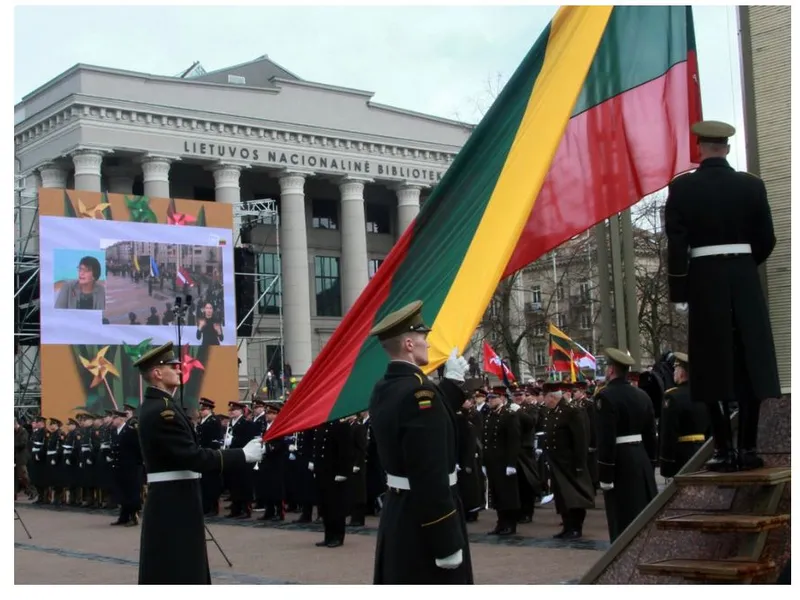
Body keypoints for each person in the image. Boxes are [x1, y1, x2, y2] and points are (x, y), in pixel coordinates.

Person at [665, 120, 780, 473]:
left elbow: (677, 244)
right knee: (751, 361)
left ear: (700, 149)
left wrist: (681, 288)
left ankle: (725, 451)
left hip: (705, 280)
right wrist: (744, 264)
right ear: (726, 148)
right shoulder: (751, 186)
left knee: (710, 365)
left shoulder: (682, 189)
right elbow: (767, 238)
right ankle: (748, 448)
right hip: (743, 278)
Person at [133, 342, 265, 585]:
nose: (179, 369)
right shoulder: (163, 411)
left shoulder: (162, 406)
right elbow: (192, 456)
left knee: (178, 562)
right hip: (173, 500)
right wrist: (242, 455)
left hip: (174, 496)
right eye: (172, 366)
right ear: (157, 373)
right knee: (178, 566)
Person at [367, 300, 473, 584]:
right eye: (424, 337)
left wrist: (450, 384)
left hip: (401, 511)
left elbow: (421, 425)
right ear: (410, 344)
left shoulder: (386, 387)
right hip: (425, 518)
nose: (429, 343)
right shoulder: (418, 393)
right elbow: (429, 471)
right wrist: (446, 540)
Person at [596, 348, 658, 543]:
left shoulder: (605, 397)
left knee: (620, 515)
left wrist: (605, 474)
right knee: (642, 510)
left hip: (619, 462)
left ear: (612, 370)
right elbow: (650, 434)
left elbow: (605, 439)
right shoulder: (642, 395)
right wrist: (650, 462)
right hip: (640, 458)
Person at [658, 352, 710, 478]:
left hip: (681, 456)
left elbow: (668, 432)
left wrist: (666, 463)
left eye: (675, 369)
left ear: (682, 373)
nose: (673, 373)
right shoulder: (705, 395)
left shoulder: (672, 396)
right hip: (704, 452)